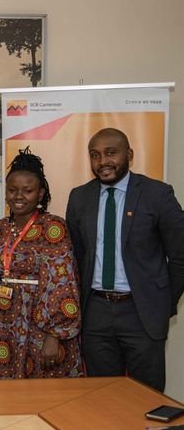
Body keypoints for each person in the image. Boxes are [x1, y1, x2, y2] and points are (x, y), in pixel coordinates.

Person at [66, 128, 184, 392]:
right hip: (96, 312)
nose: (102, 161)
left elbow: (180, 256)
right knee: (103, 395)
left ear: (129, 154)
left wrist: (163, 302)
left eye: (111, 153)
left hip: (141, 312)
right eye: (95, 155)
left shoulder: (157, 194)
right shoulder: (79, 197)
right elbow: (78, 256)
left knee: (146, 396)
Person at [0, 148, 84, 379]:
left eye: (27, 190)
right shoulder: (2, 227)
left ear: (40, 194)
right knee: (6, 385)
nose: (18, 196)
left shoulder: (53, 227)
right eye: (12, 190)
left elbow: (62, 282)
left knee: (43, 386)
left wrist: (54, 334)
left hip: (41, 321)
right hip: (6, 319)